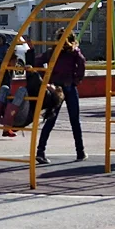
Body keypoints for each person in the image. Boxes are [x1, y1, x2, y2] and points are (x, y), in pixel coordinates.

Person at [35, 28, 87, 164]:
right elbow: (82, 63)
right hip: (69, 84)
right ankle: (80, 151)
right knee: (74, 120)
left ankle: (40, 151)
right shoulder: (74, 51)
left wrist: (46, 79)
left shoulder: (54, 51)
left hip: (56, 86)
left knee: (50, 119)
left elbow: (38, 62)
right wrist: (77, 79)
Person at [0, 40, 65, 128]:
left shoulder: (47, 97)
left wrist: (33, 71)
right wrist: (30, 51)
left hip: (22, 118)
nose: (51, 84)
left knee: (22, 90)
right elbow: (31, 75)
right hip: (16, 112)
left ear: (53, 93)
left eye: (53, 87)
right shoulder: (40, 88)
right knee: (4, 88)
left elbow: (36, 80)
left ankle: (7, 119)